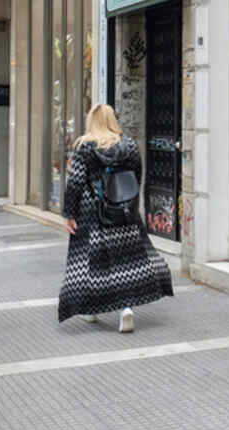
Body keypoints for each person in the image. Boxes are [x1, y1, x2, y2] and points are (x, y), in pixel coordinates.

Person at [58, 105, 173, 331]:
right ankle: (126, 309)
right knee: (125, 261)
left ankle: (93, 308)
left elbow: (76, 183)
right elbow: (137, 177)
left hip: (93, 213)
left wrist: (70, 214)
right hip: (124, 212)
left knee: (94, 260)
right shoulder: (128, 145)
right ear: (112, 120)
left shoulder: (84, 146)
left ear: (92, 120)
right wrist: (127, 204)